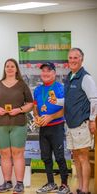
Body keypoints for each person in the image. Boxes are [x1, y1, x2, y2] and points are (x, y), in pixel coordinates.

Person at [0, 58, 33, 193]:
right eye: (7, 66)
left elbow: (30, 104)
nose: (9, 68)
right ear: (4, 69)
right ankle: (7, 182)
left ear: (16, 69)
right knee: (4, 154)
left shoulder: (22, 85)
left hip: (18, 124)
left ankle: (19, 183)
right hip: (0, 125)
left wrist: (19, 110)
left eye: (12, 66)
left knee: (18, 154)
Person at [33, 62, 70, 194]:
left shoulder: (61, 88)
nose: (45, 73)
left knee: (59, 157)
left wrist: (51, 117)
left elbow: (66, 109)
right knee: (46, 157)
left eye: (49, 71)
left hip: (57, 127)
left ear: (54, 73)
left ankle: (65, 185)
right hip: (43, 128)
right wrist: (37, 117)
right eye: (43, 71)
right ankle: (51, 183)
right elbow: (35, 108)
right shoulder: (37, 90)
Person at [64, 48, 97, 194]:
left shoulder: (86, 78)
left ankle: (85, 190)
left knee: (83, 156)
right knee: (76, 157)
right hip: (70, 125)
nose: (72, 60)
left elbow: (94, 100)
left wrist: (92, 120)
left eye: (75, 57)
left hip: (81, 124)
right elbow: (69, 100)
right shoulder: (70, 76)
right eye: (70, 58)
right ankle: (79, 187)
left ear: (81, 59)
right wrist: (56, 101)